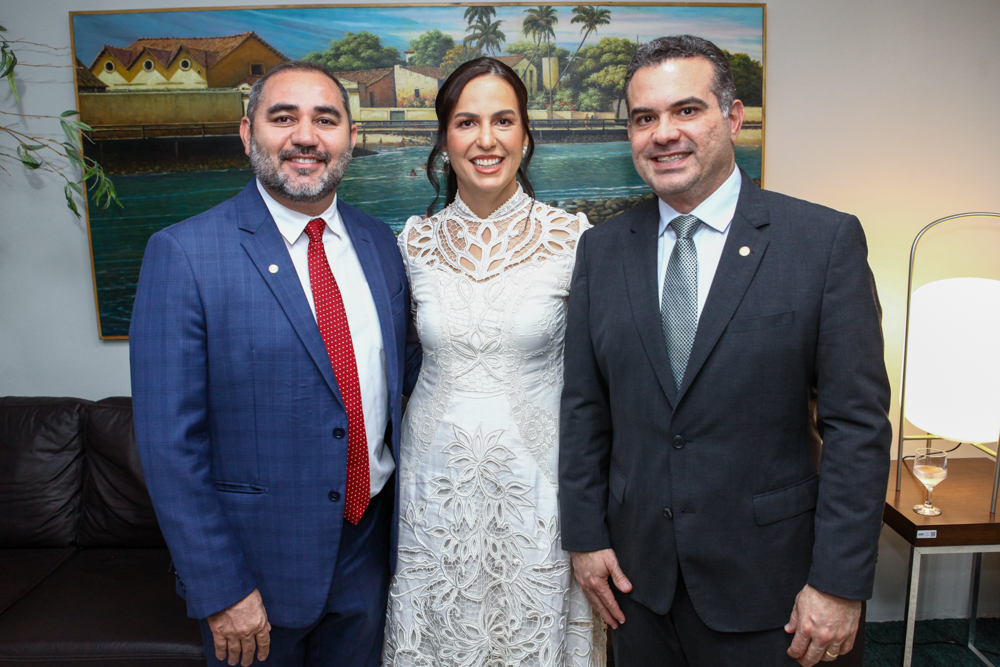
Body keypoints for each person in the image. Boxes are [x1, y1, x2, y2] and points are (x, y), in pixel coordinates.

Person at [559, 35, 891, 667]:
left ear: (734, 118)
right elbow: (583, 408)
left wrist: (838, 582)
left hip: (778, 593)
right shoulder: (602, 250)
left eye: (686, 110)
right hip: (637, 586)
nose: (664, 134)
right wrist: (585, 537)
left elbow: (857, 428)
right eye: (644, 118)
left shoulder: (822, 243)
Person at [130, 60, 421, 667]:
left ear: (351, 136)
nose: (305, 137)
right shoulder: (183, 253)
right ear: (247, 133)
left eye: (326, 120)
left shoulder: (380, 242)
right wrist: (220, 588)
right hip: (255, 571)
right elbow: (167, 447)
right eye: (283, 118)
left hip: (370, 551)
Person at [382, 57, 605, 667]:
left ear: (526, 134)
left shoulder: (574, 239)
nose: (486, 139)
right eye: (467, 122)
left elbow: (599, 387)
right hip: (434, 493)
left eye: (503, 120)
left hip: (538, 492)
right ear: (444, 139)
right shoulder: (410, 243)